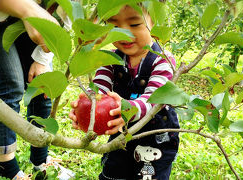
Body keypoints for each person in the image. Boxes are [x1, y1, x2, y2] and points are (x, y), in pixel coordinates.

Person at [69, 4, 180, 180]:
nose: (125, 33)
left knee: (149, 175)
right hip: (119, 135)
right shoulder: (110, 59)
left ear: (154, 21)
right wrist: (86, 108)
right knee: (113, 173)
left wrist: (129, 109)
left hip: (154, 137)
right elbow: (98, 88)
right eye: (114, 25)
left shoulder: (163, 61)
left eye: (135, 24)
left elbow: (155, 98)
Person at [0, 0, 74, 179]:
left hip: (40, 16)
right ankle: (7, 170)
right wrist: (27, 8)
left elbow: (63, 20)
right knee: (8, 86)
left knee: (42, 86)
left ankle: (40, 161)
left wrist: (42, 59)